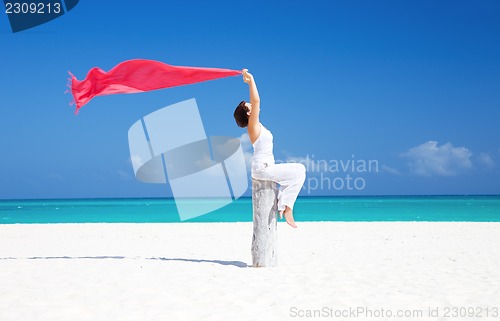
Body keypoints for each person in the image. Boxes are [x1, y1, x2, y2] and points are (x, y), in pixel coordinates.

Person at [233, 69, 306, 228]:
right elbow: (257, 100)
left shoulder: (258, 126)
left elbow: (256, 103)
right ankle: (287, 208)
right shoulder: (252, 127)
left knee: (298, 172)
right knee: (299, 170)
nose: (252, 104)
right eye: (249, 105)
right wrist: (251, 80)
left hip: (265, 167)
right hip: (262, 168)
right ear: (248, 113)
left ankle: (284, 204)